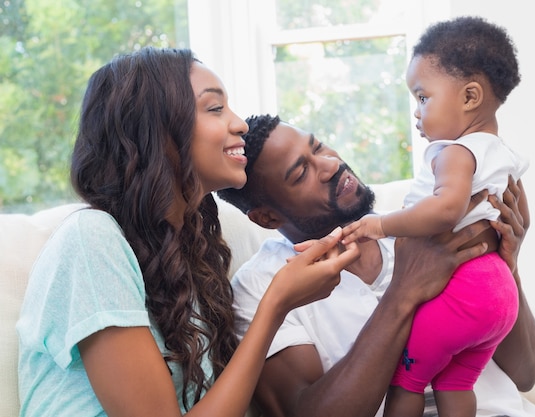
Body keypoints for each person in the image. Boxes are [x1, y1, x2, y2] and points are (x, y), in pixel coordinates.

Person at [15, 47, 362, 417]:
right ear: (156, 131)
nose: (240, 123)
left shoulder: (188, 247)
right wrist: (276, 304)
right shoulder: (91, 240)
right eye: (215, 109)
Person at [217, 114, 535, 417]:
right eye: (302, 172)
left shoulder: (423, 221)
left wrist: (507, 266)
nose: (330, 164)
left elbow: (526, 373)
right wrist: (404, 291)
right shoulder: (263, 285)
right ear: (267, 217)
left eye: (318, 147)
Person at [340, 16, 527, 417]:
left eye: (423, 97)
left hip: (464, 293)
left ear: (470, 96)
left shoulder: (454, 152)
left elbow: (446, 209)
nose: (417, 113)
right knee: (456, 382)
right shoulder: (500, 153)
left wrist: (381, 224)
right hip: (500, 293)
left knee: (406, 380)